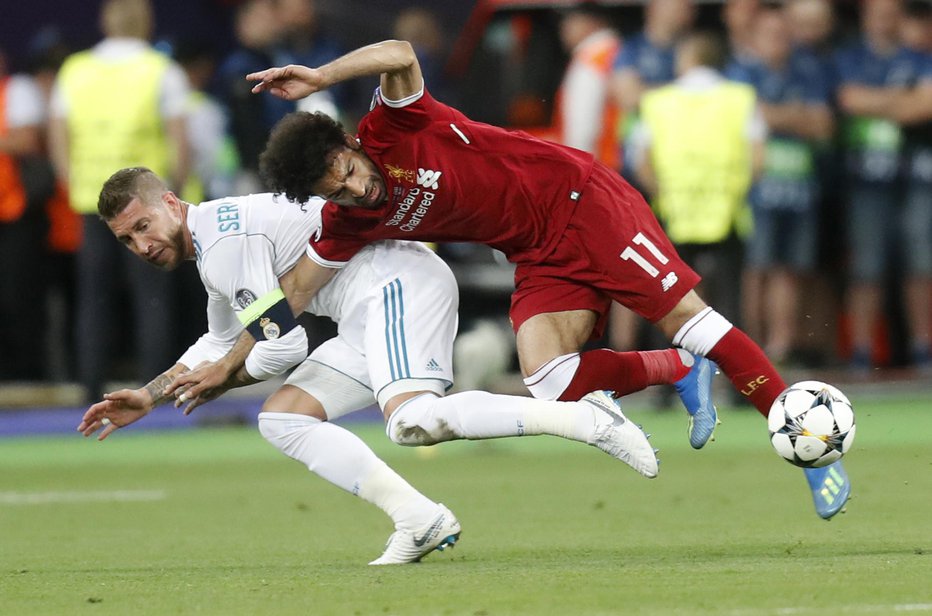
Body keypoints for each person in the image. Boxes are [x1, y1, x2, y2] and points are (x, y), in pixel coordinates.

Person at [242, 40, 851, 519]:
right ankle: (683, 371)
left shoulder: (394, 126)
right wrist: (217, 367)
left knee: (688, 319)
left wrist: (322, 76)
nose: (354, 187)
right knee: (550, 381)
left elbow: (400, 51)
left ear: (350, 143)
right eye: (335, 190)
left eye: (346, 170)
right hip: (535, 250)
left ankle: (807, 443)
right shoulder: (347, 220)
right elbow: (292, 292)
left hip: (583, 200)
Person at [79, 167, 662, 564]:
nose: (141, 244)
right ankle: (418, 519)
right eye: (127, 239)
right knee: (283, 419)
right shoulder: (215, 240)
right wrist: (151, 396)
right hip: (363, 308)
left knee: (413, 422)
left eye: (143, 226)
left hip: (396, 286)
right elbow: (222, 339)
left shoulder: (225, 244)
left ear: (172, 205)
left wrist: (225, 376)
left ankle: (584, 417)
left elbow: (280, 347)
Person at [48, 0, 190, 402]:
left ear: (104, 22)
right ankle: (153, 390)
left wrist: (70, 181)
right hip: (147, 207)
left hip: (90, 201)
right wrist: (171, 198)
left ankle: (89, 387)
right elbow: (179, 138)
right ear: (146, 23)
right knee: (152, 298)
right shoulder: (162, 70)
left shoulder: (76, 70)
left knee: (93, 299)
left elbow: (59, 131)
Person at [636, 31, 763, 355]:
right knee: (730, 299)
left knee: (667, 297)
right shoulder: (740, 98)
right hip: (727, 214)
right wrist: (736, 192)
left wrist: (663, 195)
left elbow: (642, 162)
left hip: (675, 214)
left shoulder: (658, 102)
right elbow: (758, 157)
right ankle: (740, 380)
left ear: (689, 58)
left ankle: (668, 378)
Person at [727, 8, 834, 365]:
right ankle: (751, 346)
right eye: (769, 33)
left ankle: (780, 347)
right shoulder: (740, 72)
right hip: (754, 187)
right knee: (755, 268)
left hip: (799, 189)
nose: (778, 40)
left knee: (791, 270)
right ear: (753, 38)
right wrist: (797, 115)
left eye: (783, 33)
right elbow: (742, 116)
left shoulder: (806, 70)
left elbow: (824, 125)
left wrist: (774, 114)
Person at [835, 0, 932, 372]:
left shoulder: (918, 55)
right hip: (865, 180)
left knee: (920, 265)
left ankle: (923, 348)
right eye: (879, 13)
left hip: (915, 177)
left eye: (892, 14)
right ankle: (861, 351)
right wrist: (900, 101)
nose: (885, 21)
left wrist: (873, 101)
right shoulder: (851, 56)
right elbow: (846, 99)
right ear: (865, 15)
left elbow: (921, 107)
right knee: (866, 267)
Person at [0, 50, 52, 380]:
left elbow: (28, 140)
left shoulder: (16, 89)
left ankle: (26, 377)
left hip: (15, 214)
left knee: (18, 301)